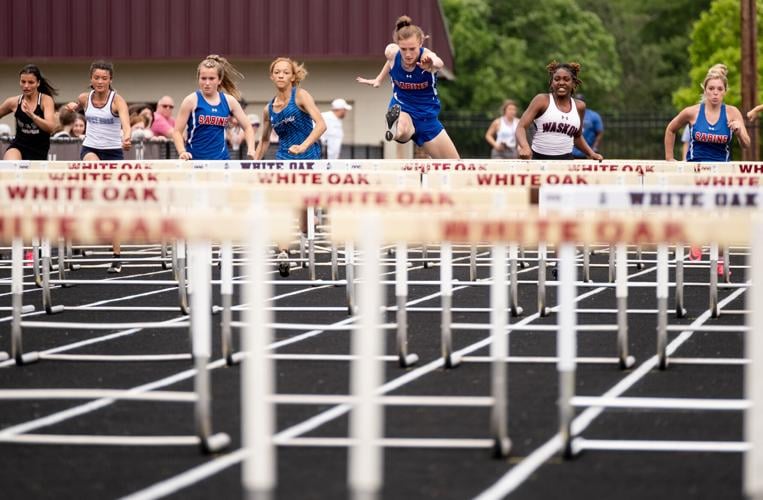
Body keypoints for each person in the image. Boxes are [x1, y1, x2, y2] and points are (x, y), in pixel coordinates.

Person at [664, 63, 750, 274]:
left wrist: (739, 131)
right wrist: (670, 159)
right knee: (698, 211)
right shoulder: (692, 112)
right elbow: (671, 129)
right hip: (696, 170)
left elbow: (747, 144)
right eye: (711, 89)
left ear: (725, 92)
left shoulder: (732, 113)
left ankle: (720, 262)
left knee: (721, 218)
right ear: (705, 89)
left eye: (719, 89)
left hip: (722, 171)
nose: (715, 93)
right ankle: (696, 240)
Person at [255, 57, 327, 277]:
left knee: (304, 215)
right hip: (283, 159)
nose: (280, 75)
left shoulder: (301, 96)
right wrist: (254, 163)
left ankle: (307, 225)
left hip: (308, 157)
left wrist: (304, 145)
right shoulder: (269, 109)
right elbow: (265, 139)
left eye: (285, 72)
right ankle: (283, 251)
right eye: (277, 72)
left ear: (293, 76)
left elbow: (321, 125)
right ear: (271, 76)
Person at [356, 15, 459, 159]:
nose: (408, 54)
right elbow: (390, 60)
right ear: (398, 46)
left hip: (426, 117)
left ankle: (398, 129)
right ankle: (394, 130)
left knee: (455, 164)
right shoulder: (392, 52)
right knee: (404, 128)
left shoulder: (427, 56)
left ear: (421, 44)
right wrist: (379, 79)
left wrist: (432, 63)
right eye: (403, 49)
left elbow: (439, 62)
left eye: (412, 49)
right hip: (402, 108)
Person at [66, 60, 132, 273]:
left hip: (113, 152)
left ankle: (116, 256)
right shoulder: (86, 98)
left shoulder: (117, 100)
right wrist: (72, 107)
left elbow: (126, 122)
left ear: (110, 80)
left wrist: (128, 137)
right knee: (91, 167)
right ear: (91, 79)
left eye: (104, 78)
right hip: (91, 149)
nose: (100, 81)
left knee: (113, 206)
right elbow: (77, 103)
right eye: (97, 78)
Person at [173, 55, 255, 162]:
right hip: (195, 160)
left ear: (219, 80)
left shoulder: (229, 101)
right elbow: (177, 132)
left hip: (221, 160)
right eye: (203, 78)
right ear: (198, 79)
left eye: (211, 79)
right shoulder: (191, 101)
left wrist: (251, 149)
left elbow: (248, 127)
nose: (207, 83)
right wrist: (182, 152)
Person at [515, 61, 603, 161]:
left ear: (573, 83)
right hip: (539, 160)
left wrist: (591, 154)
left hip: (566, 161)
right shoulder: (542, 100)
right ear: (552, 83)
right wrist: (525, 146)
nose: (561, 83)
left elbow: (577, 137)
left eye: (566, 79)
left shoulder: (579, 106)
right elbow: (521, 127)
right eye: (557, 79)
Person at [0, 64, 58, 160]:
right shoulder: (13, 102)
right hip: (18, 147)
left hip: (39, 151)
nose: (26, 86)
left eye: (31, 82)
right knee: (11, 163)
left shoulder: (45, 100)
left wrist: (32, 116)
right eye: (23, 82)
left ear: (38, 83)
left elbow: (51, 128)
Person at [571, 93, 604, 159]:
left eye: (580, 101)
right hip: (569, 153)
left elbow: (600, 133)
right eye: (576, 101)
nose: (578, 104)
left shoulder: (594, 116)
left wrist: (594, 148)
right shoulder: (567, 114)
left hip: (586, 153)